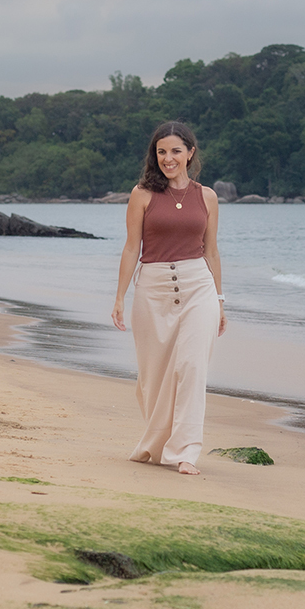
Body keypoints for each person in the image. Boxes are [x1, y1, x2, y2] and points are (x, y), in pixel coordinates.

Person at [111, 120, 226, 475]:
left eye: (176, 151)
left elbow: (212, 250)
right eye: (161, 152)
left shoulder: (207, 196)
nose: (168, 158)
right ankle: (158, 443)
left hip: (198, 288)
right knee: (155, 374)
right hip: (154, 289)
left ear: (190, 153)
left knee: (191, 367)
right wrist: (119, 298)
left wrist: (220, 301)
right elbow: (132, 249)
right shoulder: (141, 195)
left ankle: (185, 451)